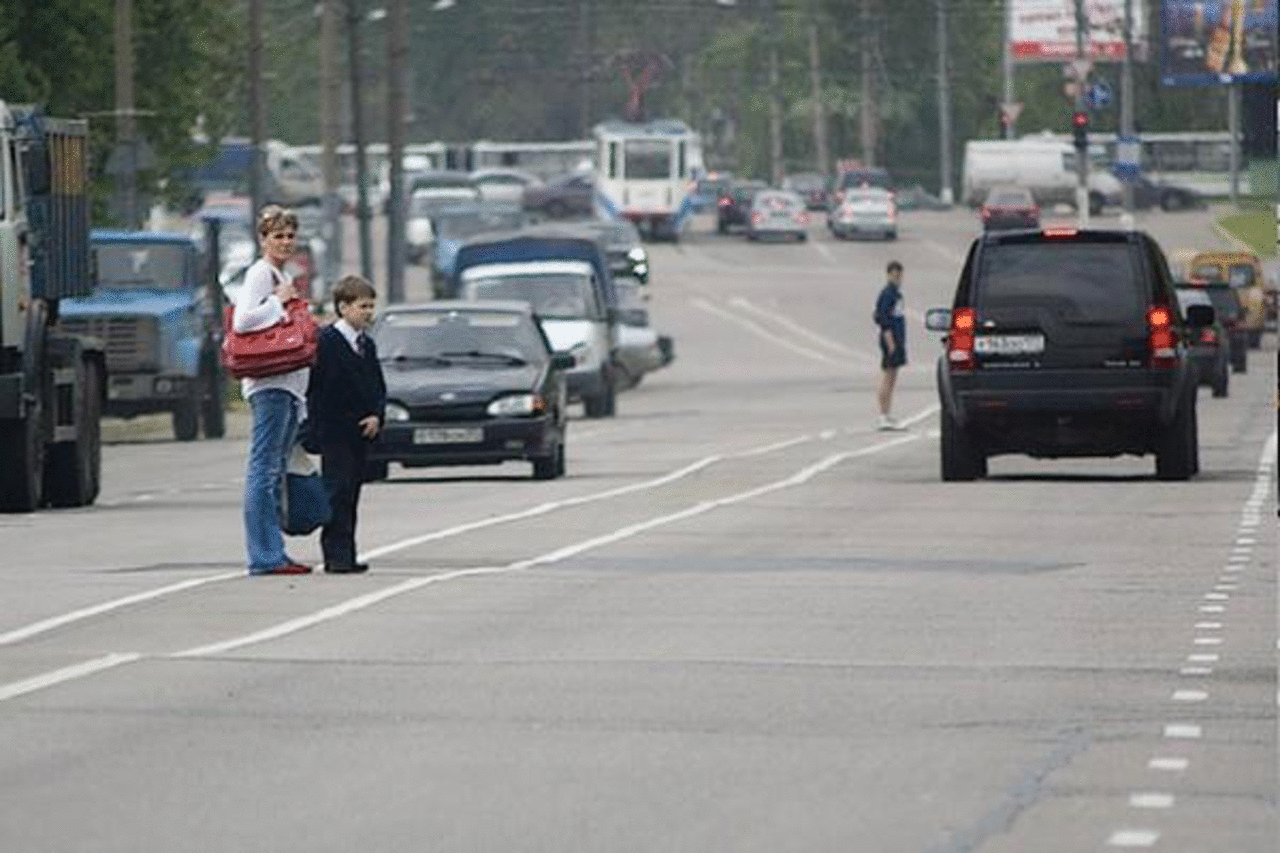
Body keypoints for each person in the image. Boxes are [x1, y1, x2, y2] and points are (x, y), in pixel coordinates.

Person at [234, 205, 312, 575]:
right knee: (263, 470)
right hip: (270, 383)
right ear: (262, 239)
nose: (284, 242)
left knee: (274, 470)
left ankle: (273, 552)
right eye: (277, 236)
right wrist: (279, 303)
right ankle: (263, 556)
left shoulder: (278, 273)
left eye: (289, 236)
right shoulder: (259, 274)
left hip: (288, 385)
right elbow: (243, 320)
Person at [306, 275, 386, 574]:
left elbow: (377, 386)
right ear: (343, 307)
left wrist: (376, 414)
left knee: (351, 492)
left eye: (370, 306)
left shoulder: (367, 345)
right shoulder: (327, 343)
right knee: (337, 491)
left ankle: (348, 552)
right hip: (334, 431)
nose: (368, 312)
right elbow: (319, 390)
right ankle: (335, 555)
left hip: (361, 432)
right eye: (362, 306)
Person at [874, 260, 907, 431]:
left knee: (893, 377)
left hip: (898, 339)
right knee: (888, 376)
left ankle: (888, 413)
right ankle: (883, 415)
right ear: (888, 275)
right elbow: (882, 318)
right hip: (890, 340)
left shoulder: (897, 294)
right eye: (894, 275)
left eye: (899, 275)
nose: (897, 278)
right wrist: (891, 342)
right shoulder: (887, 294)